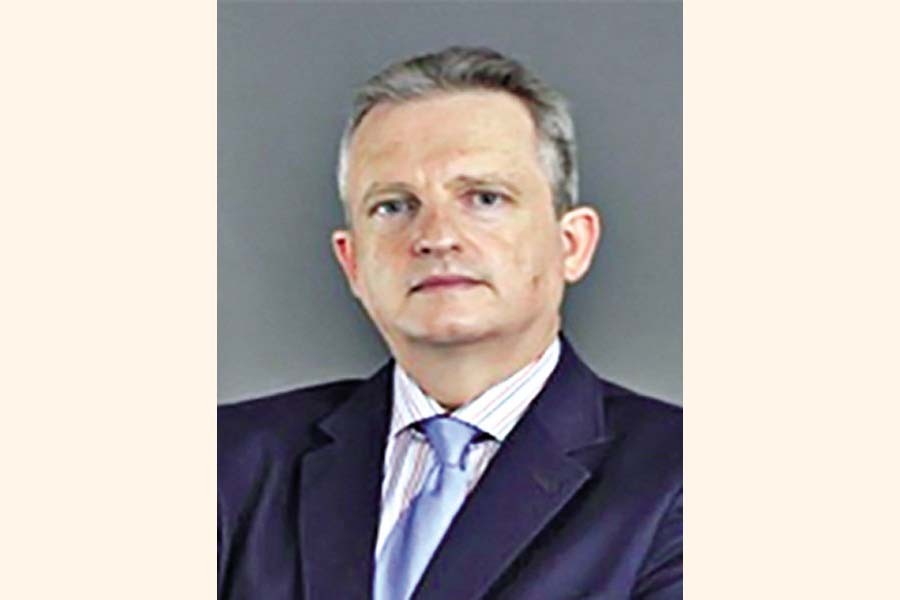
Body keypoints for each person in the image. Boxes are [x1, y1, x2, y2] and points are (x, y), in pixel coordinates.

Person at [218, 46, 681, 600]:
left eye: (484, 198)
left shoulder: (680, 476)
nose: (437, 236)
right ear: (352, 263)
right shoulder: (226, 462)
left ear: (571, 245)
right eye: (394, 206)